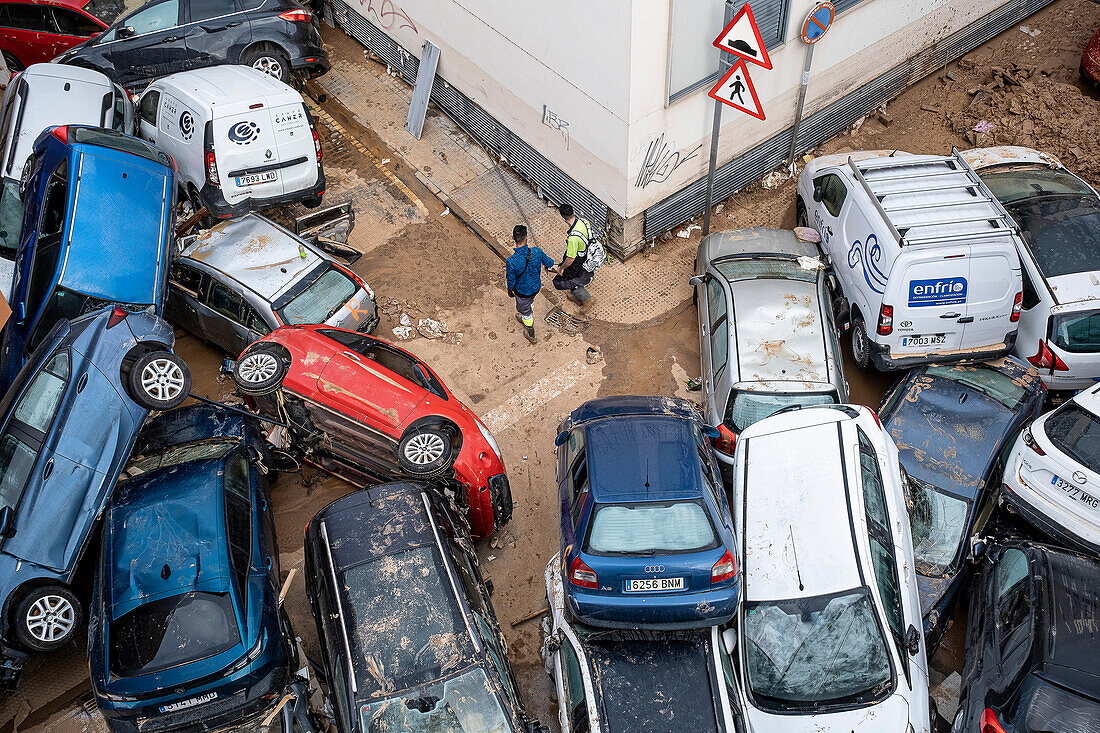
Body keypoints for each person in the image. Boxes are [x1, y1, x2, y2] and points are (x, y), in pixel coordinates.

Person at [506, 224, 553, 344]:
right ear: (526, 238)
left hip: (522, 292)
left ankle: (531, 333)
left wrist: (510, 290)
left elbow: (511, 281)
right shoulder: (537, 251)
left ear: (513, 238)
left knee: (525, 311)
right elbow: (549, 262)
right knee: (530, 302)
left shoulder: (511, 261)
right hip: (536, 288)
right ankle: (526, 314)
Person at [551, 203, 595, 306]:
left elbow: (570, 258)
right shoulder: (584, 222)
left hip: (576, 261)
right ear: (574, 212)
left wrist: (561, 268)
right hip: (586, 256)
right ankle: (575, 295)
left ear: (563, 218)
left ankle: (587, 299)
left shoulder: (572, 239)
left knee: (567, 279)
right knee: (577, 275)